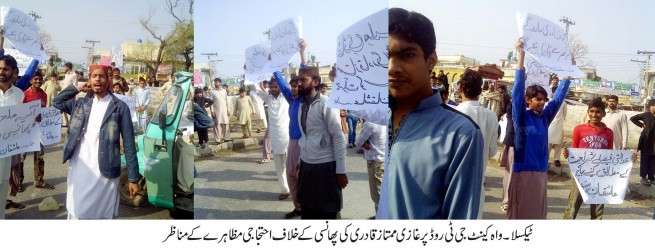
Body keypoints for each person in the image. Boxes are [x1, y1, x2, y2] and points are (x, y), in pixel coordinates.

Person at [378, 8, 484, 219]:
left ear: (430, 60)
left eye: (407, 55)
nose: (392, 68)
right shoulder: (381, 117)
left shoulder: (461, 135)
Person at [52, 65, 140, 219]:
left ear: (108, 80)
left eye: (102, 76)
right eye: (94, 76)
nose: (98, 79)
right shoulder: (81, 105)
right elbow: (57, 102)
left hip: (106, 171)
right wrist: (77, 87)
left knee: (102, 215)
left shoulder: (119, 107)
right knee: (78, 211)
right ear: (89, 80)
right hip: (80, 168)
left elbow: (129, 144)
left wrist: (133, 178)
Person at [508, 37, 571, 219]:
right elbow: (517, 92)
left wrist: (568, 74)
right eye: (538, 99)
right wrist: (521, 56)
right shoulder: (521, 117)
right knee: (520, 216)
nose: (542, 103)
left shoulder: (544, 117)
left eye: (544, 100)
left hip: (541, 173)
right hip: (523, 171)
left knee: (536, 216)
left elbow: (557, 99)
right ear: (528, 100)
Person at [296, 66, 347, 219]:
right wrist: (300, 161)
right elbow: (305, 136)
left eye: (303, 80)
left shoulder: (326, 104)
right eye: (298, 79)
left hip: (325, 166)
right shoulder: (301, 104)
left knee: (327, 212)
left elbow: (338, 136)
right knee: (307, 209)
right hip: (307, 164)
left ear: (316, 82)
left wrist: (341, 170)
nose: (299, 83)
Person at [455, 68, 499, 219]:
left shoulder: (451, 113)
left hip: (453, 182)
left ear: (459, 88)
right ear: (481, 91)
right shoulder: (491, 116)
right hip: (478, 181)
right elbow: (492, 151)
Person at [561, 98, 616, 219]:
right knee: (572, 207)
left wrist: (628, 158)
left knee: (597, 211)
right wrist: (568, 153)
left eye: (598, 112)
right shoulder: (579, 129)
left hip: (599, 175)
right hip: (581, 174)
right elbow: (574, 151)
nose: (594, 114)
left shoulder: (609, 133)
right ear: (588, 112)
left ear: (603, 114)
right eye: (591, 111)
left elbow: (609, 155)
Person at [0, 55, 29, 215]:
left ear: (13, 72)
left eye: (5, 68)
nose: (1, 72)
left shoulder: (19, 95)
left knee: (3, 187)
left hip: (7, 153)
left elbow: (23, 121)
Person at [19, 71, 54, 191]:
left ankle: (38, 180)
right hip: (25, 130)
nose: (38, 81)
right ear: (31, 81)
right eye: (35, 79)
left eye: (40, 79)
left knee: (39, 156)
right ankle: (18, 182)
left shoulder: (44, 95)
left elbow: (44, 111)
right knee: (21, 157)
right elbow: (19, 113)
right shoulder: (24, 94)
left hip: (38, 130)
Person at [265, 77, 291, 200]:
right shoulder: (267, 97)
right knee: (279, 168)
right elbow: (254, 89)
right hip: (275, 138)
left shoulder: (287, 97)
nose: (273, 89)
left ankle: (296, 190)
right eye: (271, 87)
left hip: (288, 137)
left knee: (291, 167)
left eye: (276, 87)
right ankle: (285, 190)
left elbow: (286, 81)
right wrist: (249, 72)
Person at [354, 120, 386, 218]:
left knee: (377, 195)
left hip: (376, 163)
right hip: (386, 160)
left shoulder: (371, 123)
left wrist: (363, 143)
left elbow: (358, 143)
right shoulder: (387, 119)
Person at [630, 99, 655, 186]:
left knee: (653, 160)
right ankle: (643, 178)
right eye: (653, 105)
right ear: (650, 107)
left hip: (654, 143)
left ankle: (652, 178)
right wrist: (641, 125)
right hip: (645, 140)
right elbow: (632, 118)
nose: (654, 107)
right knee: (644, 159)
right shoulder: (646, 115)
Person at [547, 75, 567, 168]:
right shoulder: (547, 102)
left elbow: (564, 115)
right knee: (548, 142)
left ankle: (557, 159)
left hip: (559, 125)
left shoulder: (563, 103)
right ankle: (546, 158)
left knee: (558, 143)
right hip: (549, 125)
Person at [208, 78, 231, 143]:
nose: (215, 83)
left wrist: (228, 110)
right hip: (216, 111)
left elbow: (227, 101)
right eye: (215, 82)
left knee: (225, 124)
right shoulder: (212, 91)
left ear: (220, 83)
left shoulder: (224, 91)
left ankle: (226, 138)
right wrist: (212, 111)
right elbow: (210, 102)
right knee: (217, 125)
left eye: (217, 82)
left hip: (224, 110)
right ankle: (217, 140)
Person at [59, 62, 78, 127]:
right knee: (63, 108)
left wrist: (73, 95)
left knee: (69, 109)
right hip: (63, 94)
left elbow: (75, 86)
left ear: (67, 67)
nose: (64, 68)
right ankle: (65, 123)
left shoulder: (74, 75)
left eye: (64, 67)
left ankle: (71, 123)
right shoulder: (66, 74)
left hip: (70, 95)